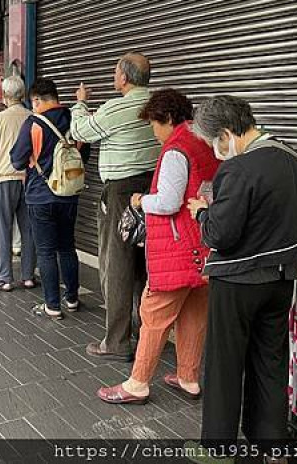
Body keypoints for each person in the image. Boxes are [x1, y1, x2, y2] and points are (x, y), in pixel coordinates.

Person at [185, 96, 297, 456]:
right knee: (271, 361)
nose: (216, 150)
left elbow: (221, 236)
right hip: (282, 281)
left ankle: (217, 450)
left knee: (224, 366)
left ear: (227, 133)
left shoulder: (239, 169)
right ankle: (272, 446)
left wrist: (203, 213)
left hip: (238, 283)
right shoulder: (293, 157)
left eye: (214, 142)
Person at [97, 89, 219, 405]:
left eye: (153, 123)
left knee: (152, 316)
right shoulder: (205, 141)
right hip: (206, 245)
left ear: (166, 118)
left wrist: (140, 199)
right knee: (193, 316)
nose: (153, 131)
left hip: (178, 248)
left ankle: (138, 384)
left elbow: (167, 202)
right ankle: (188, 378)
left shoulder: (176, 149)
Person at [70, 52, 160, 361]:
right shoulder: (158, 103)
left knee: (117, 262)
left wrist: (81, 102)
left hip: (122, 191)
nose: (113, 77)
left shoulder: (120, 106)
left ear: (124, 77)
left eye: (114, 72)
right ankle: (142, 330)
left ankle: (117, 341)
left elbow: (80, 131)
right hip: (153, 188)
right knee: (142, 263)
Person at [11, 78, 89, 319]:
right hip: (69, 194)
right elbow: (83, 153)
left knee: (45, 252)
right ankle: (73, 299)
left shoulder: (33, 123)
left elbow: (16, 160)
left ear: (36, 100)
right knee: (67, 246)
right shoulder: (74, 120)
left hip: (40, 196)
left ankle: (52, 306)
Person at [0, 76, 35, 291]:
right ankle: (29, 276)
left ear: (3, 95)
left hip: (4, 178)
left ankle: (4, 278)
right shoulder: (33, 117)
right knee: (28, 229)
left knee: (3, 228)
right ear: (22, 95)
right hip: (28, 178)